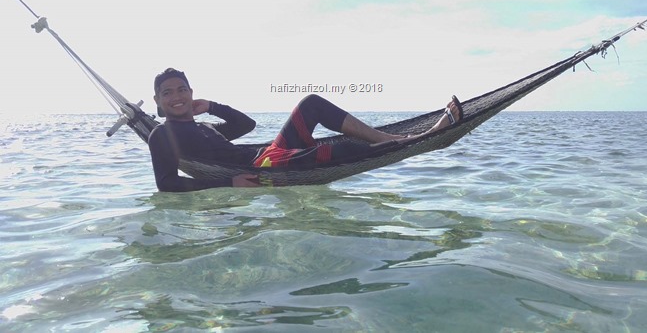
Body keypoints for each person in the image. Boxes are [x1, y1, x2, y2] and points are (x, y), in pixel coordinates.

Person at [148, 68, 463, 191]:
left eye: (182, 89)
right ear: (158, 102)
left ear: (191, 93)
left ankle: (395, 138)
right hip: (261, 167)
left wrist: (213, 106)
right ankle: (427, 138)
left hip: (270, 153)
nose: (177, 97)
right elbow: (166, 183)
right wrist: (229, 183)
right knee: (346, 151)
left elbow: (246, 125)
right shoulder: (162, 135)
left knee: (311, 102)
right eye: (168, 93)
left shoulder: (204, 127)